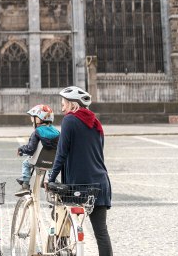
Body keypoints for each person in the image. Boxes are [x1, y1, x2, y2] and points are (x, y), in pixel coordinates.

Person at [47, 86, 113, 256]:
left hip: (78, 185)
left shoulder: (70, 120)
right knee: (101, 234)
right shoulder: (96, 122)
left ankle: (61, 249)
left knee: (60, 216)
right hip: (100, 184)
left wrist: (51, 178)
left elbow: (61, 153)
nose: (62, 108)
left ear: (72, 104)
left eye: (64, 103)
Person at [16, 104, 60, 194]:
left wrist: (21, 149)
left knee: (26, 164)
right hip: (52, 162)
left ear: (39, 119)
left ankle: (25, 185)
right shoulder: (57, 132)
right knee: (50, 169)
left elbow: (30, 149)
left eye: (33, 118)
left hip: (38, 161)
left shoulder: (37, 132)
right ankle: (51, 183)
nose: (32, 121)